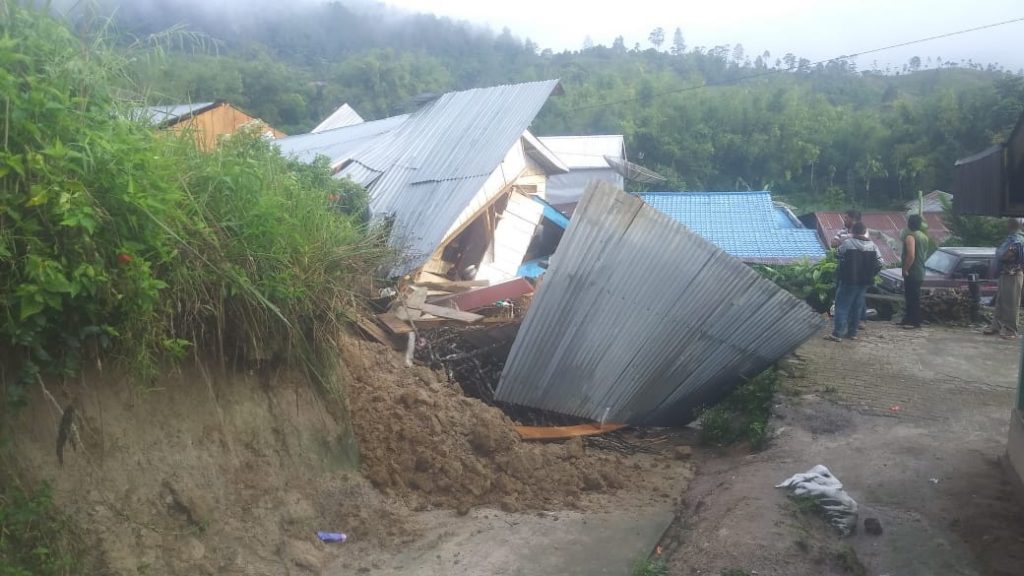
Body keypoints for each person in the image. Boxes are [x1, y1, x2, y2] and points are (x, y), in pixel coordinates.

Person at [827, 222, 884, 342]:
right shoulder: (873, 245)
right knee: (856, 307)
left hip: (848, 280)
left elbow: (837, 254)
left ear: (853, 232)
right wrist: (871, 273)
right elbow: (880, 263)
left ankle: (837, 334)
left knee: (841, 306)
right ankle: (853, 333)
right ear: (864, 232)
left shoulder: (848, 243)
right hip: (864, 281)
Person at [985, 218, 1024, 339]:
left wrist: (1003, 256)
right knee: (1000, 301)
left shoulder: (1018, 239)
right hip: (1004, 273)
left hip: (1013, 274)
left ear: (1013, 225)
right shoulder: (1011, 237)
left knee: (1011, 303)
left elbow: (1007, 254)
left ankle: (1011, 330)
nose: (1006, 224)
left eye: (1009, 223)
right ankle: (996, 326)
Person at [900, 214, 929, 329]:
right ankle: (908, 318)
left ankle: (914, 321)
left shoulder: (910, 237)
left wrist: (905, 269)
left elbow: (911, 255)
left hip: (913, 270)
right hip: (921, 269)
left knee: (912, 296)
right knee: (913, 295)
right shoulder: (923, 236)